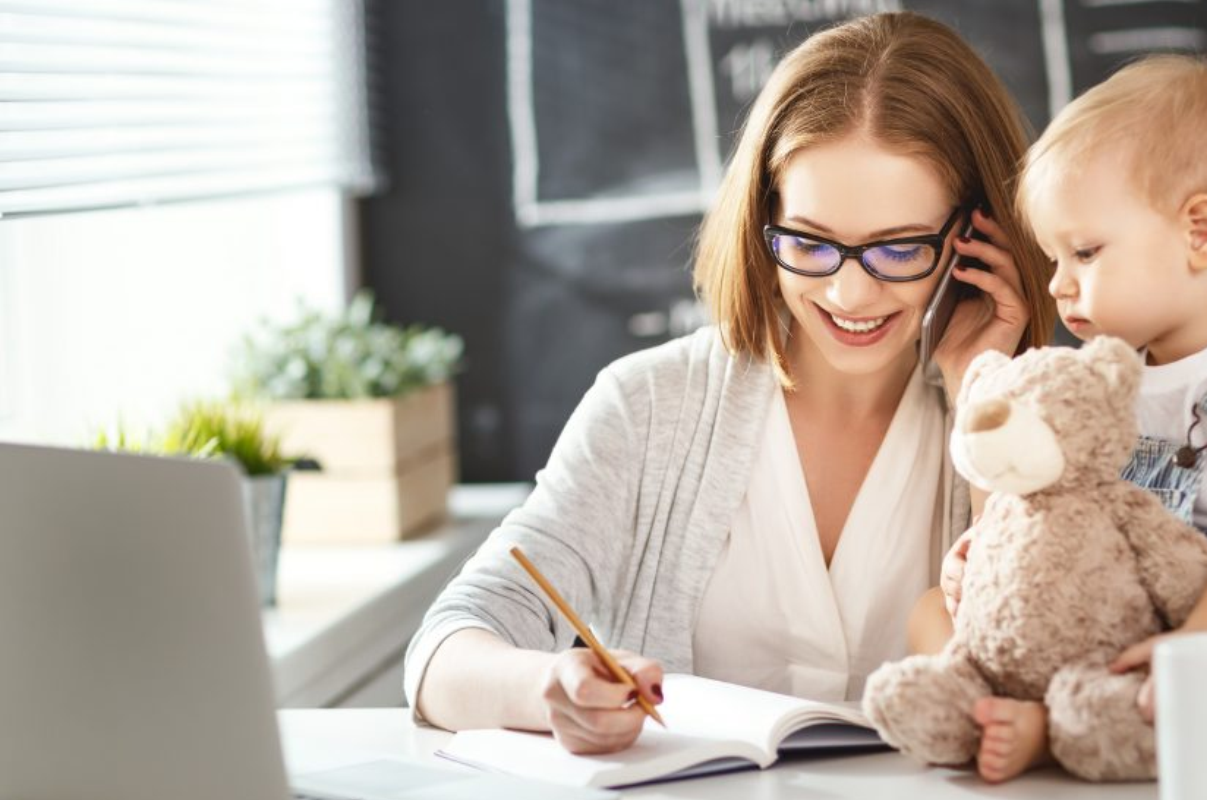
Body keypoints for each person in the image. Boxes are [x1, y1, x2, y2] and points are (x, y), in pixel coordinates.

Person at [402, 11, 1055, 756]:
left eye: (898, 249)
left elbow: (1037, 678)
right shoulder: (649, 406)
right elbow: (442, 655)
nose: (848, 295)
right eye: (809, 242)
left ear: (975, 238)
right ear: (763, 220)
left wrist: (985, 392)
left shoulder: (1037, 421)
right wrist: (549, 687)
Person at [913, 54, 1207, 783]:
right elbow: (1041, 496)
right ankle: (993, 702)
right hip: (1109, 616)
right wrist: (988, 558)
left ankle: (1056, 730)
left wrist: (1196, 647)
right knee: (927, 609)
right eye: (1052, 257)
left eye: (1084, 252)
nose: (1057, 283)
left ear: (1200, 232)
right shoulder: (1105, 380)